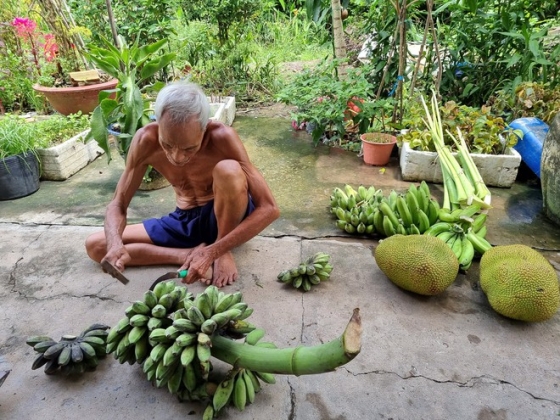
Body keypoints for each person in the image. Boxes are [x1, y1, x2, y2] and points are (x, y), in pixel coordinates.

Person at [85, 82, 280, 287]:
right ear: (158, 122)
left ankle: (222, 249)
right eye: (167, 145)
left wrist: (217, 251)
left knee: (229, 170)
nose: (177, 157)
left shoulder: (222, 137)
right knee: (97, 246)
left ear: (204, 128)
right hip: (184, 220)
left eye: (189, 148)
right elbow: (118, 203)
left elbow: (269, 208)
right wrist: (115, 242)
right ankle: (187, 254)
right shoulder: (145, 140)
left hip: (227, 217)